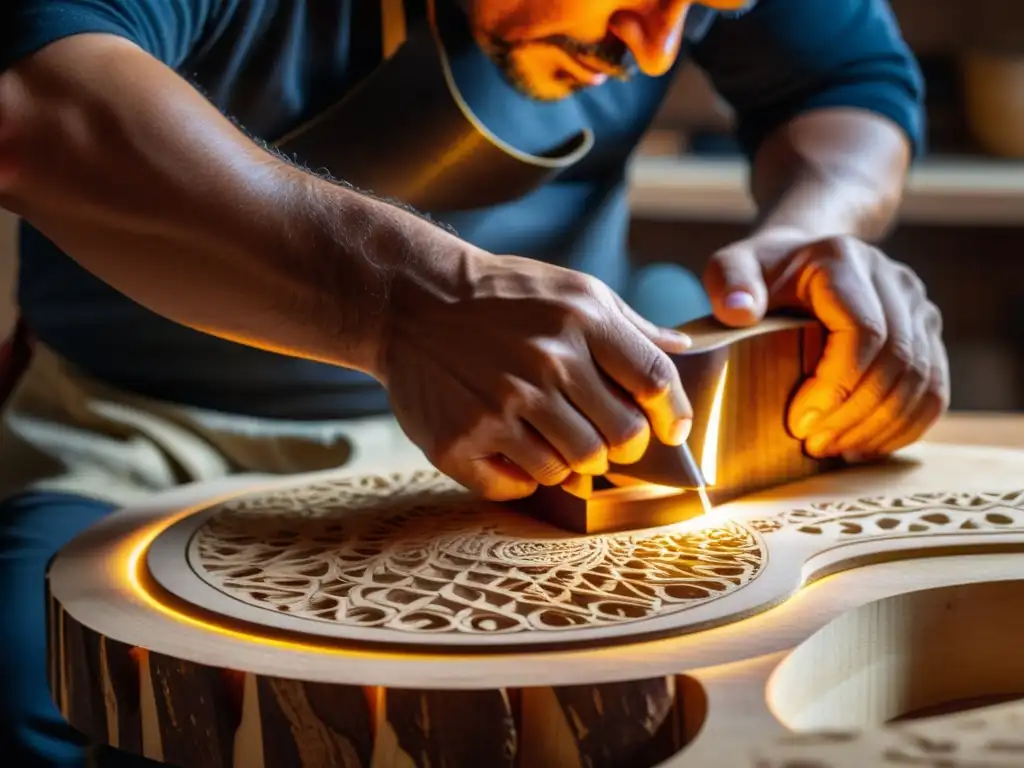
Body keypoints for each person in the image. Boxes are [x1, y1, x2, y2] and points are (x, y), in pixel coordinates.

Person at [0, 0, 948, 765]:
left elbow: (845, 78)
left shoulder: (663, 17)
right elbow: (38, 103)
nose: (660, 48)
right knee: (31, 693)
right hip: (148, 432)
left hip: (554, 449)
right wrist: (401, 305)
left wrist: (819, 224)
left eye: (700, 11)